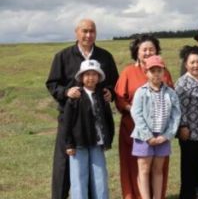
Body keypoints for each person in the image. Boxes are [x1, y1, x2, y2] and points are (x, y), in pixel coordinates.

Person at [46, 19, 119, 199]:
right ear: (76, 32)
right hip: (71, 119)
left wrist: (110, 92)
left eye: (92, 31)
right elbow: (52, 83)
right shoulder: (63, 56)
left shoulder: (105, 56)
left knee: (96, 168)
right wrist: (66, 92)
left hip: (97, 120)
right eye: (84, 31)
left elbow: (114, 82)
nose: (88, 35)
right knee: (64, 164)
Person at [114, 34, 174, 199]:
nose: (148, 52)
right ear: (137, 52)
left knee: (157, 167)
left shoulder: (164, 72)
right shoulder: (128, 72)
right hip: (133, 127)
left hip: (160, 129)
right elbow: (119, 98)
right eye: (144, 49)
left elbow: (171, 96)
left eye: (151, 49)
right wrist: (135, 110)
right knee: (136, 166)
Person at [60, 59, 115, 199]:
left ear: (99, 77)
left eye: (94, 74)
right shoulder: (75, 96)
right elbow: (67, 122)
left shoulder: (103, 95)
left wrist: (108, 140)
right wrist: (69, 144)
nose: (91, 77)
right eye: (87, 74)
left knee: (100, 176)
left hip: (97, 143)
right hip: (78, 144)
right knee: (79, 178)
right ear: (81, 77)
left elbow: (108, 119)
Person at [130, 55, 182, 199]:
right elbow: (137, 114)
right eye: (152, 71)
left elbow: (176, 115)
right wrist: (148, 136)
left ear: (164, 72)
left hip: (162, 136)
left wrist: (166, 135)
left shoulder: (171, 93)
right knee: (144, 169)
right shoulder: (141, 92)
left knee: (158, 170)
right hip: (143, 137)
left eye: (159, 71)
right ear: (146, 73)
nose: (156, 74)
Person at [175, 45, 198, 199]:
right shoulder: (182, 83)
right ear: (186, 64)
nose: (195, 65)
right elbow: (179, 107)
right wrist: (183, 126)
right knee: (189, 163)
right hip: (189, 130)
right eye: (192, 62)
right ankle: (188, 193)